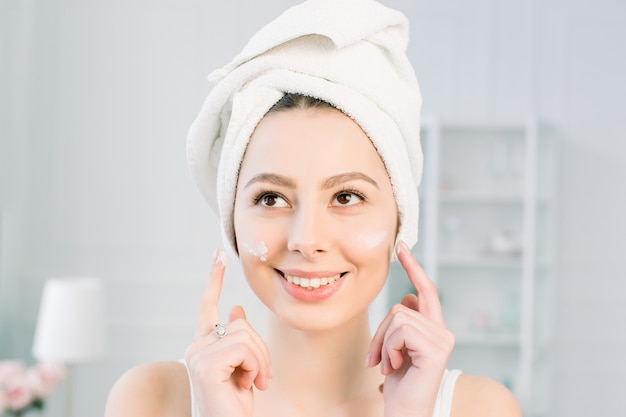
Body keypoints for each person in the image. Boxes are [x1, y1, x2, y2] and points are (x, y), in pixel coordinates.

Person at [105, 1, 522, 416]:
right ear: (231, 219)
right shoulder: (153, 399)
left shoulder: (478, 407)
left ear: (400, 216)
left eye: (346, 197)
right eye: (271, 198)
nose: (307, 240)